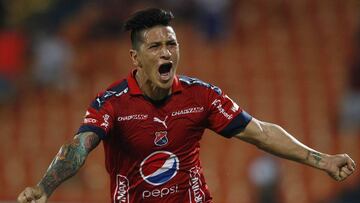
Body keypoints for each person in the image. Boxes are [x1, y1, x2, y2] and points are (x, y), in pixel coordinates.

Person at [17, 8, 356, 203]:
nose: (166, 52)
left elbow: (261, 133)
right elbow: (78, 147)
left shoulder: (200, 96)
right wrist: (45, 187)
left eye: (172, 43)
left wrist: (322, 160)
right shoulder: (112, 104)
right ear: (135, 57)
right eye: (155, 46)